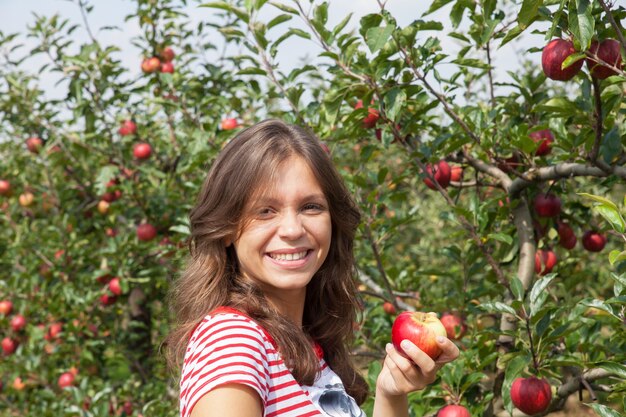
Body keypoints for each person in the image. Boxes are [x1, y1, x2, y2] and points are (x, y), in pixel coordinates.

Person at [165, 119, 459, 417]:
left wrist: (391, 393)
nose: (292, 229)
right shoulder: (232, 341)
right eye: (265, 211)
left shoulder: (303, 346)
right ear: (227, 229)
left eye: (311, 207)